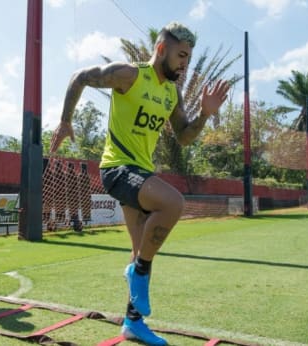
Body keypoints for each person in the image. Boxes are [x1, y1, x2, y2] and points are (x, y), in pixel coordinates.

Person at [50, 22, 230, 345]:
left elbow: (185, 137)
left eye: (188, 59)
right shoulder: (129, 75)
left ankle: (133, 323)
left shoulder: (170, 92)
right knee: (173, 203)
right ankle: (139, 273)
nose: (184, 65)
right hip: (117, 168)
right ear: (162, 50)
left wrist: (204, 114)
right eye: (181, 56)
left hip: (141, 172)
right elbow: (79, 77)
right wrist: (65, 121)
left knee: (141, 248)